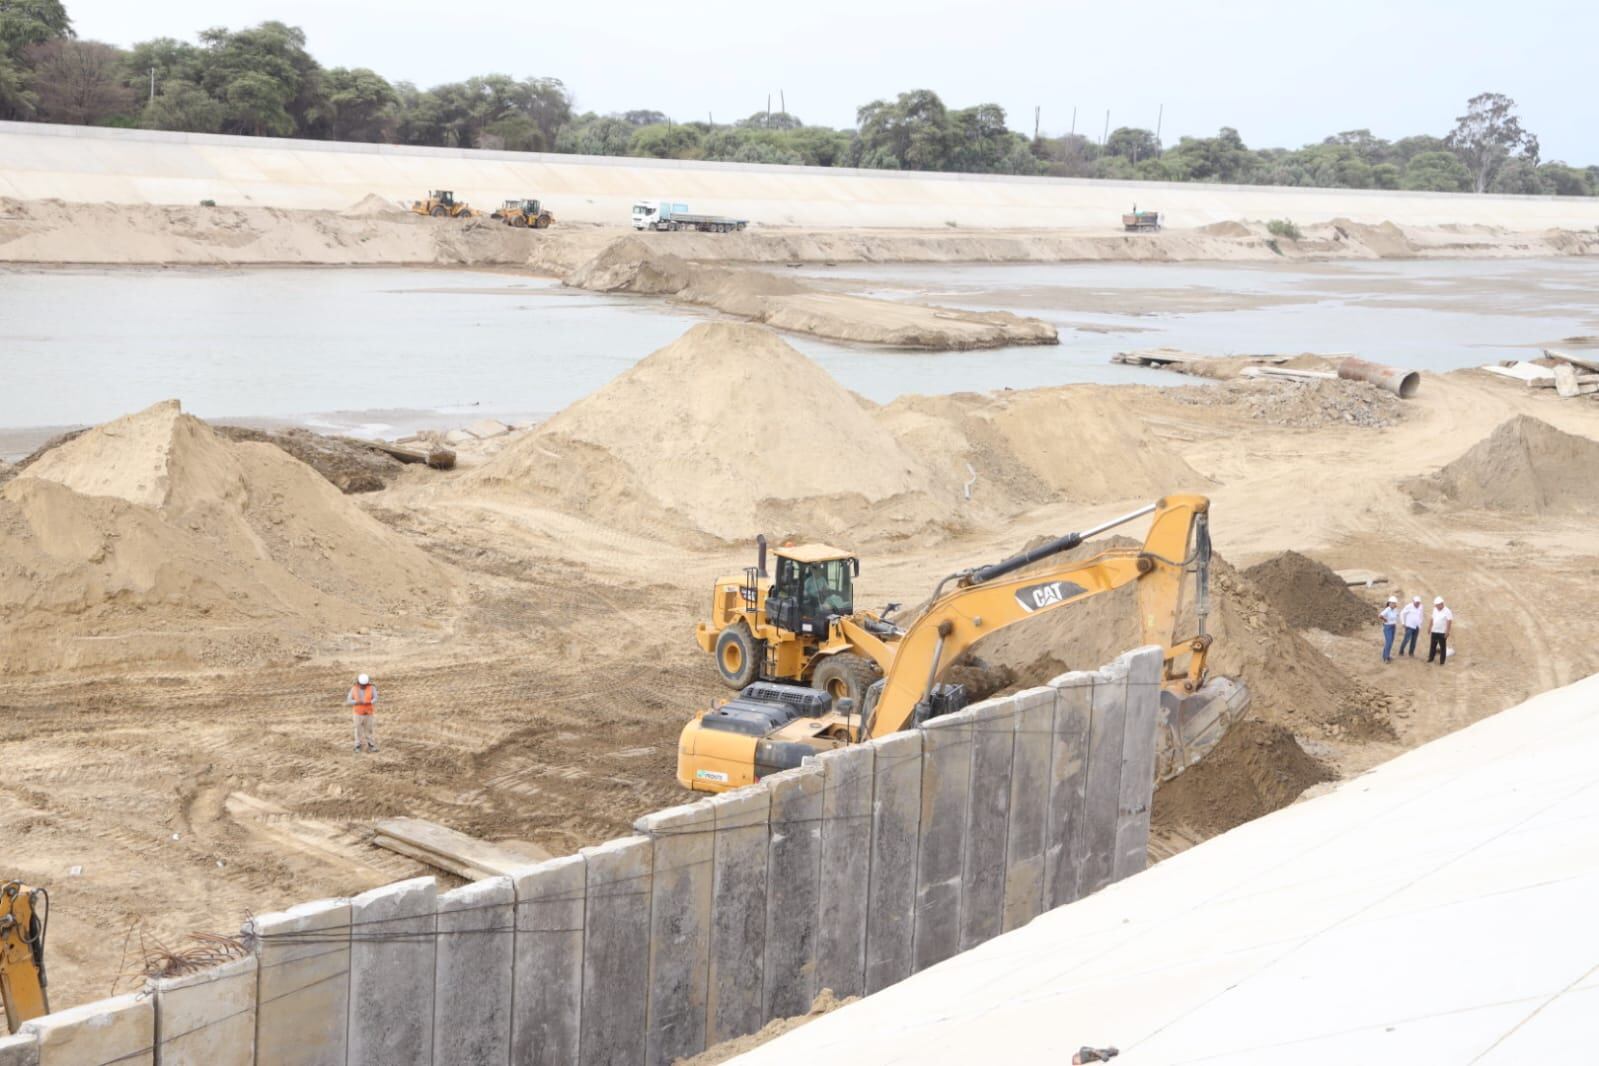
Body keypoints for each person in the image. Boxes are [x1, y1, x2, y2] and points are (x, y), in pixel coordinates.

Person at [346, 672, 378, 752]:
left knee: (369, 730)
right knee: (358, 730)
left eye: (364, 685)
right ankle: (357, 746)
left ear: (367, 683)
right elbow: (349, 700)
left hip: (368, 713)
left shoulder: (372, 688)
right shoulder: (354, 689)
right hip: (358, 713)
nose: (363, 686)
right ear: (358, 683)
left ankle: (371, 746)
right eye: (361, 685)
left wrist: (370, 702)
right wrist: (356, 702)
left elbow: (376, 698)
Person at [1427, 597, 1453, 666]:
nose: (1436, 607)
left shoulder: (1447, 611)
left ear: (1441, 604)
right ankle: (1431, 658)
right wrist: (1429, 627)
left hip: (1442, 632)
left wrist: (1447, 631)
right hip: (1434, 630)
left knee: (1442, 647)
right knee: (1433, 645)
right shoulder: (1435, 609)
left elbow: (1449, 621)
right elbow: (1432, 618)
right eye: (1436, 605)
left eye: (1437, 605)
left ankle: (1442, 661)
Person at [1379, 596, 1399, 663]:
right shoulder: (1387, 609)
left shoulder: (1395, 610)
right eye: (1392, 603)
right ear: (1389, 603)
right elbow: (1380, 616)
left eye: (1394, 603)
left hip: (1393, 627)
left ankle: (1386, 656)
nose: (1393, 604)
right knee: (1389, 642)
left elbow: (1397, 616)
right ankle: (1386, 658)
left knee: (1390, 642)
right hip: (1388, 628)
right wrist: (1385, 619)